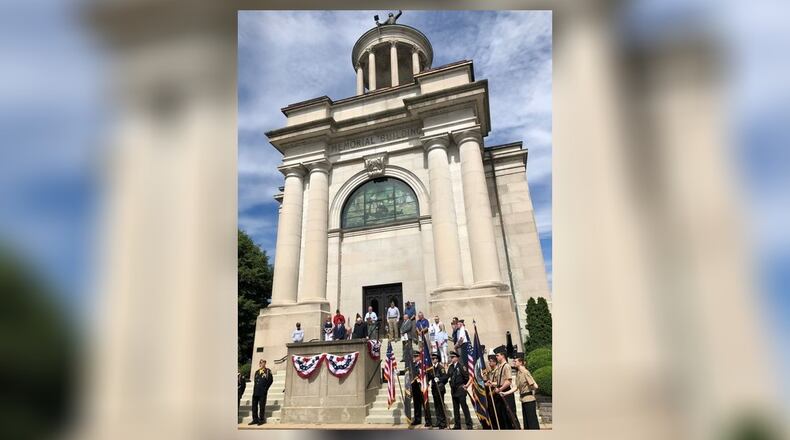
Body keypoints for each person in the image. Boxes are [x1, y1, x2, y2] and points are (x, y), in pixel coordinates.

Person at [501, 353, 540, 430]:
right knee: (526, 423)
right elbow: (516, 387)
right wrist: (505, 393)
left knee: (532, 423)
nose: (514, 362)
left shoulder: (525, 372)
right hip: (523, 400)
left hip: (529, 400)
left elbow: (535, 386)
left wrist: (529, 389)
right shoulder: (518, 373)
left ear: (521, 362)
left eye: (515, 361)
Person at [489, 346, 520, 429]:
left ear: (503, 355)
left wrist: (500, 389)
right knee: (503, 416)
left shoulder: (506, 366)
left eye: (497, 355)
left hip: (506, 392)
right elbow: (500, 381)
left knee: (510, 416)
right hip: (501, 392)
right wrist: (493, 383)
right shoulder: (500, 366)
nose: (496, 357)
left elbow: (508, 381)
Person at [447, 351, 473, 429]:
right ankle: (457, 425)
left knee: (464, 407)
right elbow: (447, 376)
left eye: (452, 357)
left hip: (460, 389)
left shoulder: (461, 366)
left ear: (457, 358)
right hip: (453, 390)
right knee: (455, 409)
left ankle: (469, 424)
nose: (451, 358)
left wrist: (466, 386)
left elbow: (467, 377)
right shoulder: (451, 367)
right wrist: (440, 380)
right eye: (451, 357)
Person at [409, 351, 432, 428]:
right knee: (416, 404)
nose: (414, 358)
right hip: (415, 386)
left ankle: (428, 421)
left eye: (416, 356)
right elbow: (411, 374)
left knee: (425, 403)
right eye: (414, 356)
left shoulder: (422, 364)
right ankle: (417, 419)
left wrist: (424, 381)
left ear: (419, 356)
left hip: (422, 386)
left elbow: (428, 373)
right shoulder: (413, 365)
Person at [427, 352, 448, 429]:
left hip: (440, 389)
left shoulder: (441, 367)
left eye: (434, 358)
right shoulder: (431, 368)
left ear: (437, 359)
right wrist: (426, 382)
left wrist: (439, 379)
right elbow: (428, 377)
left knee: (441, 406)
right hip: (434, 390)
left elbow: (445, 378)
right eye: (432, 359)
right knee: (436, 406)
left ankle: (443, 423)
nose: (433, 360)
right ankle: (438, 421)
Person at [249, 359, 273, 425]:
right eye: (261, 363)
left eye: (264, 363)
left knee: (261, 406)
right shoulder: (257, 372)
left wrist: (266, 389)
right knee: (254, 406)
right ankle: (255, 419)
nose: (262, 364)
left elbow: (270, 380)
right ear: (259, 364)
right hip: (256, 391)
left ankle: (261, 420)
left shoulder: (267, 371)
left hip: (262, 392)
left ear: (265, 364)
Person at [484, 354, 501, 429]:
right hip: (491, 395)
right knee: (492, 413)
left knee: (498, 413)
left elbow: (500, 382)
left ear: (495, 362)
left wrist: (491, 383)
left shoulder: (498, 371)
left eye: (491, 361)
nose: (489, 363)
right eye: (489, 361)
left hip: (497, 394)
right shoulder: (490, 371)